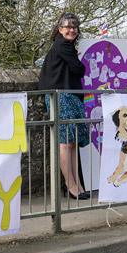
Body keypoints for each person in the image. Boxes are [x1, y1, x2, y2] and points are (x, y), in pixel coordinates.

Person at [38, 12, 91, 200]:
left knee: (72, 142)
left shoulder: (64, 46)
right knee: (65, 143)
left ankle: (77, 184)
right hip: (62, 96)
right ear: (60, 29)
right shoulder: (63, 45)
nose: (71, 30)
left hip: (68, 95)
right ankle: (71, 186)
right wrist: (79, 63)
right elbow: (79, 69)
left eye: (74, 27)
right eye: (67, 26)